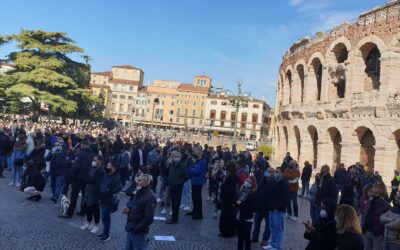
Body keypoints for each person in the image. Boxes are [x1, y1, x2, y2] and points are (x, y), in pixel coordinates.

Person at [60, 140, 94, 218]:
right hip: (87, 178)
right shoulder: (92, 154)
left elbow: (76, 166)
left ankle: (70, 212)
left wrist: (72, 175)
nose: (80, 146)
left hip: (78, 178)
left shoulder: (81, 154)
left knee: (74, 196)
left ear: (83, 145)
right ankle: (83, 211)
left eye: (81, 144)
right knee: (84, 196)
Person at [124, 174, 157, 250]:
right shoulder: (139, 192)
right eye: (137, 180)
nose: (137, 182)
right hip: (131, 227)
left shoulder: (150, 197)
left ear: (146, 182)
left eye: (139, 180)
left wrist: (137, 228)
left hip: (138, 230)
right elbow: (135, 206)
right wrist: (129, 211)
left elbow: (149, 218)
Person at [263, 167, 290, 250]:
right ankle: (273, 244)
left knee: (278, 229)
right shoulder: (275, 182)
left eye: (277, 172)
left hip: (278, 210)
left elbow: (285, 199)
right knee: (272, 227)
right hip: (271, 208)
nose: (275, 173)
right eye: (275, 172)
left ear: (281, 173)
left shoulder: (285, 184)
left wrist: (277, 207)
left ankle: (277, 246)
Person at [97, 160, 123, 242]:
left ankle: (107, 234)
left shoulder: (116, 177)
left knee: (106, 217)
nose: (107, 167)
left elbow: (119, 187)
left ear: (113, 168)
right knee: (104, 217)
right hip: (103, 198)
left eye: (109, 166)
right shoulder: (107, 175)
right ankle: (104, 232)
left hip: (109, 200)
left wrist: (110, 191)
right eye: (107, 166)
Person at [80, 155, 105, 234]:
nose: (93, 161)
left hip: (96, 191)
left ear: (100, 161)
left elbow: (93, 179)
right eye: (93, 159)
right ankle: (88, 223)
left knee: (95, 208)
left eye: (95, 160)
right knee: (88, 207)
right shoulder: (92, 168)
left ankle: (96, 225)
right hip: (89, 190)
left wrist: (86, 177)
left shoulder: (101, 170)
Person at [361, 185, 390, 250]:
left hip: (377, 234)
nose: (373, 194)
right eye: (372, 192)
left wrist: (381, 231)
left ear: (381, 194)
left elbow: (386, 220)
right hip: (366, 231)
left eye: (376, 193)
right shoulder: (369, 201)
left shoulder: (385, 205)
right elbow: (364, 214)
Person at [251, 167, 274, 246]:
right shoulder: (262, 180)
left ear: (272, 174)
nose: (267, 173)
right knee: (257, 223)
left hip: (268, 208)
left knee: (268, 226)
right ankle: (255, 237)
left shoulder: (274, 183)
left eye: (269, 172)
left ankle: (265, 239)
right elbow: (258, 191)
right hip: (260, 207)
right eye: (266, 171)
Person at [166, 151, 188, 224]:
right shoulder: (172, 164)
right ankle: (173, 218)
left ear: (180, 157)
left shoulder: (182, 166)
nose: (176, 158)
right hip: (171, 186)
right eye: (175, 156)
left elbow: (186, 177)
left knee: (176, 203)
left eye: (177, 157)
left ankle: (175, 219)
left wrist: (178, 182)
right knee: (173, 202)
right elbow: (167, 172)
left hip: (178, 187)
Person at [219, 161, 240, 238]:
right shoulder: (232, 176)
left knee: (227, 216)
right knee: (227, 216)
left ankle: (228, 232)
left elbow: (227, 189)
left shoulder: (231, 177)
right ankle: (227, 231)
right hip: (228, 199)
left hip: (229, 200)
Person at [236, 176, 257, 250]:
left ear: (253, 184)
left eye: (249, 182)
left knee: (246, 238)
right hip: (239, 216)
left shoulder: (253, 194)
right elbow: (237, 199)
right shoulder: (242, 190)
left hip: (247, 218)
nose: (247, 183)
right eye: (247, 181)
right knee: (240, 238)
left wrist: (241, 204)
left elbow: (252, 208)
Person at [187, 148, 206, 220]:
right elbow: (190, 169)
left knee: (198, 198)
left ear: (200, 153)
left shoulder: (202, 161)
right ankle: (195, 211)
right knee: (194, 197)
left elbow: (198, 170)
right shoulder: (195, 160)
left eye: (196, 152)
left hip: (198, 181)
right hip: (194, 180)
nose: (195, 153)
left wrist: (193, 168)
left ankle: (199, 214)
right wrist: (193, 169)